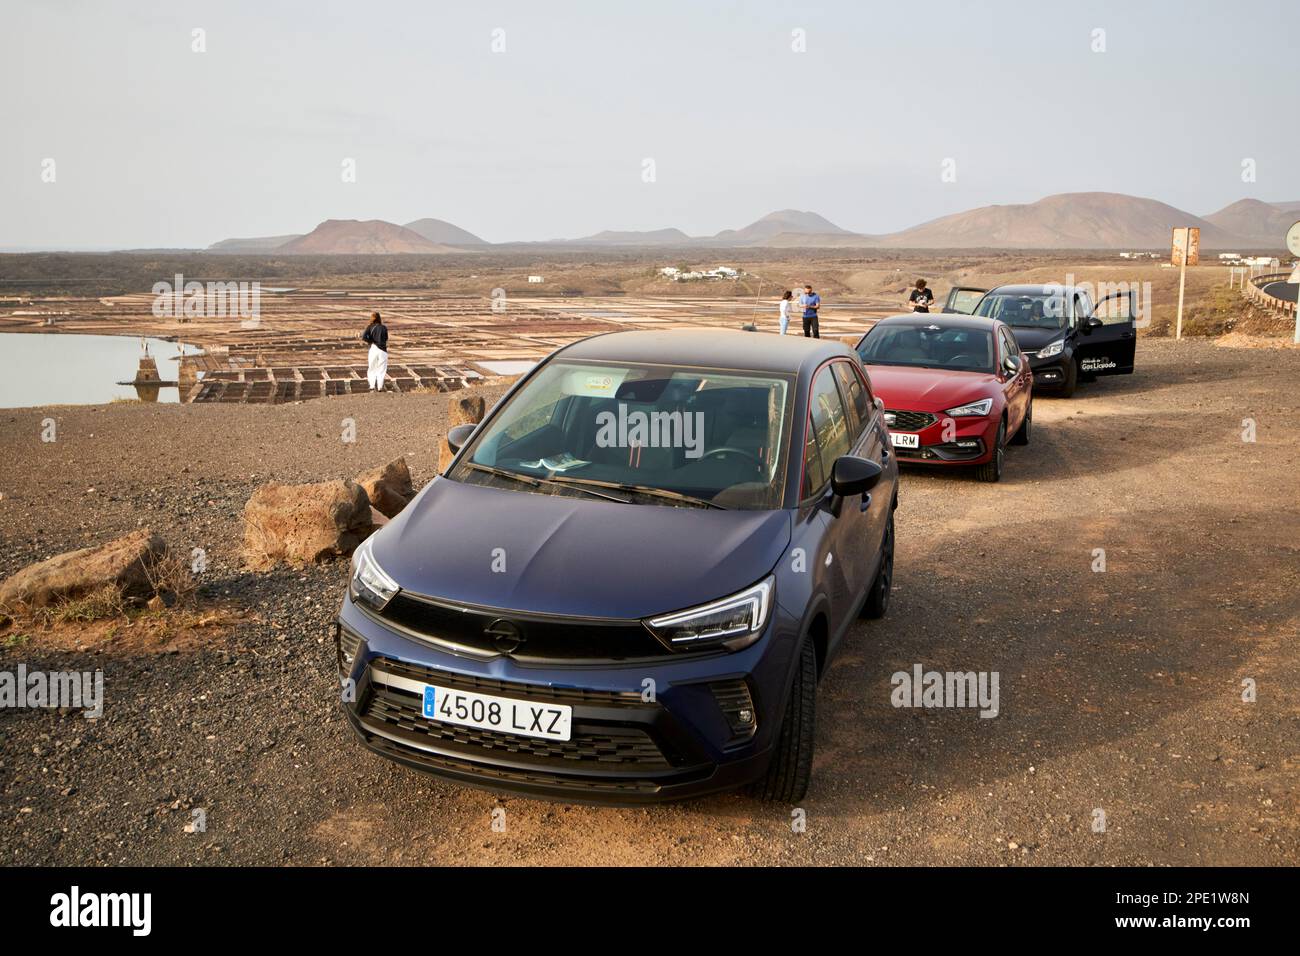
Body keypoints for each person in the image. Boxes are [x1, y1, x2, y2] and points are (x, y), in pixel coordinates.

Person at [362, 312, 389, 391]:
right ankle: (380, 387)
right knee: (382, 369)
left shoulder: (370, 327)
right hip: (383, 350)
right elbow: (386, 338)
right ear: (379, 318)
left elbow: (364, 337)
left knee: (372, 368)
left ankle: (372, 386)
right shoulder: (384, 327)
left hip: (373, 349)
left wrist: (371, 341)